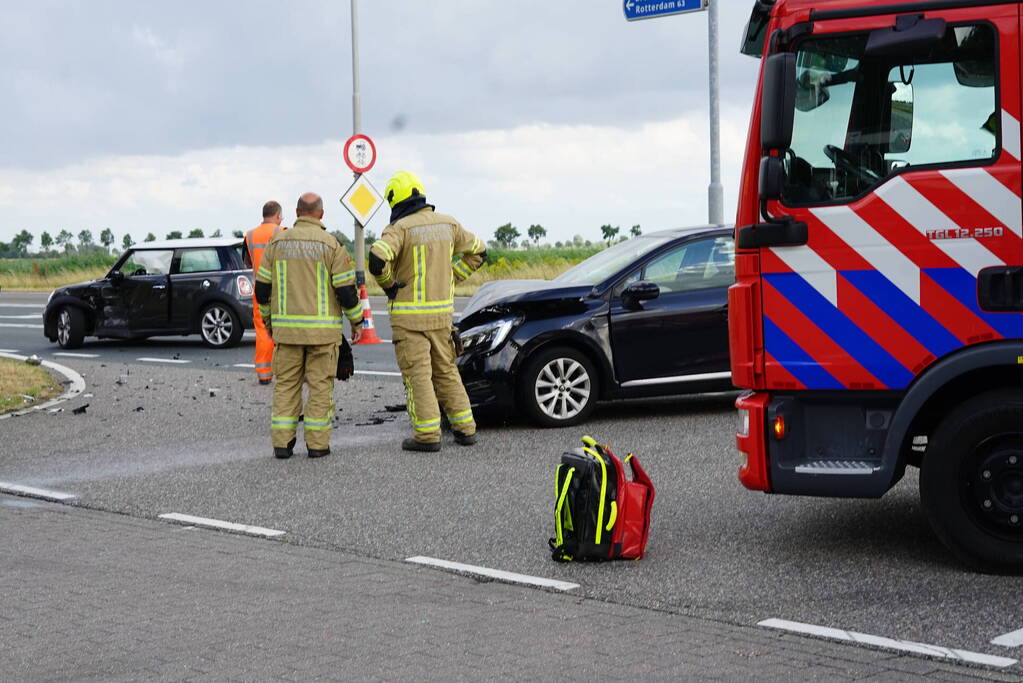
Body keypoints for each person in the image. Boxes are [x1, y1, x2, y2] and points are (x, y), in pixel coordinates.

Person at [369, 170, 486, 452]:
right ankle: (466, 429)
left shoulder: (400, 229)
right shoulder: (449, 224)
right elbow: (480, 252)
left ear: (396, 200)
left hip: (409, 320)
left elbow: (376, 258)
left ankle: (427, 435)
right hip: (442, 317)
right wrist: (452, 277)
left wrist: (390, 286)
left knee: (418, 376)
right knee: (447, 371)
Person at [254, 192, 364, 459]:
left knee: (286, 387)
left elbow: (262, 290)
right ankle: (317, 446)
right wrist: (357, 321)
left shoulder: (277, 243)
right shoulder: (331, 245)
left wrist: (268, 321)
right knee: (320, 388)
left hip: (287, 333)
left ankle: (282, 444)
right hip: (322, 336)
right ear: (321, 215)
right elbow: (346, 291)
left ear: (296, 212)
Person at [243, 201, 286, 385]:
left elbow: (247, 263)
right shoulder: (282, 231)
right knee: (285, 329)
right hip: (281, 289)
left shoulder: (250, 235)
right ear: (277, 216)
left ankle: (264, 373)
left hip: (259, 289)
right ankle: (287, 371)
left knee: (262, 329)